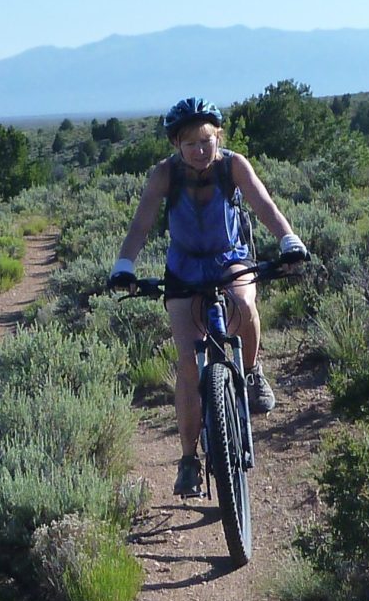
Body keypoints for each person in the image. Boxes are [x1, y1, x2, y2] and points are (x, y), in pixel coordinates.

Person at [108, 97, 308, 497]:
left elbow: (263, 203)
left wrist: (289, 240)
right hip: (183, 266)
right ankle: (188, 460)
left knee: (245, 303)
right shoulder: (164, 175)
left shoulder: (233, 166)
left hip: (229, 257)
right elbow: (141, 224)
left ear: (218, 137)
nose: (200, 151)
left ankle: (251, 373)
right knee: (186, 361)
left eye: (206, 141)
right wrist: (123, 266)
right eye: (190, 145)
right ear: (176, 146)